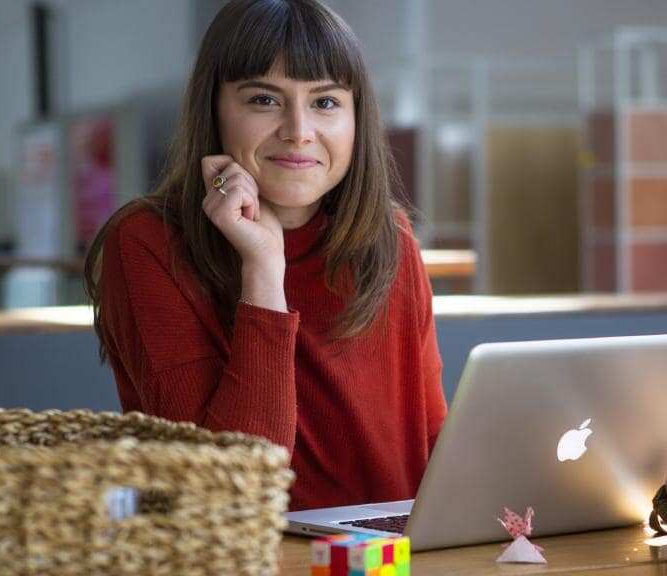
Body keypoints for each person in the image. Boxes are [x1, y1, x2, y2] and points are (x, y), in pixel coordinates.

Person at [83, 0, 446, 511]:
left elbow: (432, 439)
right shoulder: (148, 243)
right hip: (251, 546)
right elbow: (229, 491)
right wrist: (263, 271)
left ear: (356, 118)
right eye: (263, 100)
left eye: (325, 102)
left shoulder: (390, 238)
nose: (298, 130)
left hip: (390, 550)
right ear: (213, 109)